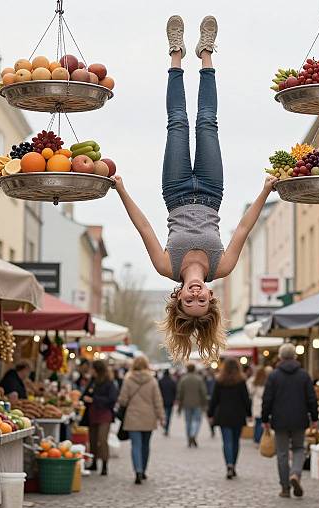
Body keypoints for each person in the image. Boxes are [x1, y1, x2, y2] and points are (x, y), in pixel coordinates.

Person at [112, 15, 277, 362]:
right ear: (211, 299)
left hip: (174, 191)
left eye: (190, 301)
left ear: (178, 296)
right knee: (207, 122)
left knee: (176, 123)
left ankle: (175, 53)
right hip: (212, 191)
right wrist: (265, 191)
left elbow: (143, 226)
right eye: (202, 301)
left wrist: (121, 190)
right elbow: (245, 227)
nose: (197, 296)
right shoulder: (223, 266)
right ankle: (205, 53)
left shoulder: (165, 265)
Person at [262, 343, 318, 498]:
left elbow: (267, 399)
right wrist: (314, 418)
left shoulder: (274, 376)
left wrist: (265, 418)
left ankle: (285, 488)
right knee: (299, 448)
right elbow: (312, 399)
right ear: (295, 356)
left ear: (280, 357)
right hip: (299, 419)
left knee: (282, 453)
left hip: (279, 420)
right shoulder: (304, 375)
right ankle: (295, 474)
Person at [118, 355, 165, 485]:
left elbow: (122, 399)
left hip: (132, 417)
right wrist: (161, 417)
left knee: (136, 445)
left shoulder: (128, 379)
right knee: (145, 445)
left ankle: (137, 470)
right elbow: (157, 400)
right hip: (148, 417)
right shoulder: (152, 380)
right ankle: (143, 470)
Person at [208, 358, 252, 480]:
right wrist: (249, 413)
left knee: (227, 441)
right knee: (235, 441)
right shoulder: (241, 381)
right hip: (238, 415)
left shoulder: (219, 381)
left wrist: (210, 413)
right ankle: (233, 465)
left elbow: (214, 399)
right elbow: (246, 399)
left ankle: (229, 464)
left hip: (223, 415)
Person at [83, 360, 118, 476]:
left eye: (92, 369)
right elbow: (85, 394)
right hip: (92, 414)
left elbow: (112, 399)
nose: (91, 371)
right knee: (92, 439)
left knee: (102, 440)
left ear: (97, 370)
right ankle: (94, 462)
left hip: (104, 415)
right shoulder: (93, 381)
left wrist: (94, 399)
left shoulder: (109, 383)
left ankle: (104, 464)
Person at [177, 363, 208, 447]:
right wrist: (205, 404)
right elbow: (203, 392)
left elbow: (180, 393)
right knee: (197, 421)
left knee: (188, 422)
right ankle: (193, 434)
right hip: (197, 403)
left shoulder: (183, 379)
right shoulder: (199, 379)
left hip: (186, 404)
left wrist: (179, 406)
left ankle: (189, 437)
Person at [247, 366, 270, 444]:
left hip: (256, 404)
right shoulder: (267, 381)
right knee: (263, 422)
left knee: (257, 422)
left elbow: (250, 392)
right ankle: (260, 438)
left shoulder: (254, 381)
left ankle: (257, 439)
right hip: (264, 404)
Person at [158, 369, 177, 435]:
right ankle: (166, 428)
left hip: (162, 401)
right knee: (168, 416)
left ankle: (164, 425)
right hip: (170, 401)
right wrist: (175, 399)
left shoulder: (160, 381)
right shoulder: (172, 381)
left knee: (163, 414)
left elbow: (158, 391)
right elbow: (175, 391)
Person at [204, 368, 216, 437]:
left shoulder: (215, 380)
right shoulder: (205, 380)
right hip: (208, 400)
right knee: (210, 415)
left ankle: (212, 427)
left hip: (213, 400)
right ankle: (212, 429)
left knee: (212, 415)